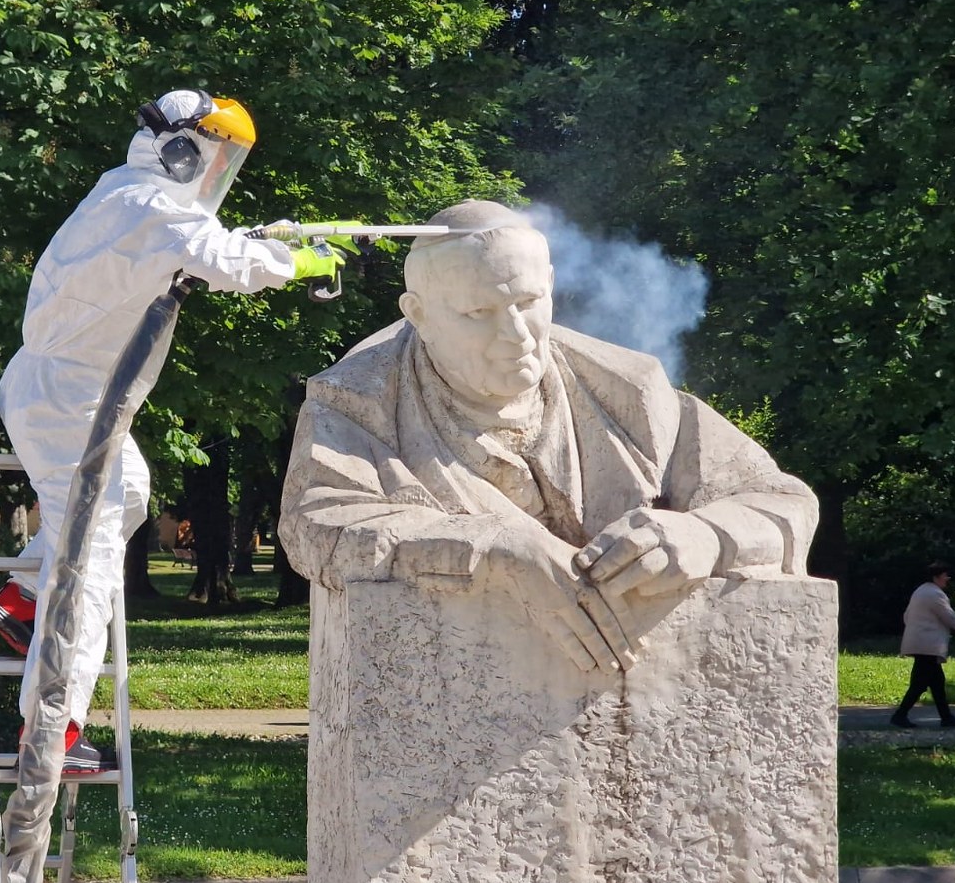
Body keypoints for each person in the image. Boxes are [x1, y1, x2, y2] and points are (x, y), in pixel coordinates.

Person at [279, 199, 819, 670]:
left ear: (552, 286)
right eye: (478, 312)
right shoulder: (357, 401)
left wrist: (705, 535)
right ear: (417, 313)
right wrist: (490, 547)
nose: (515, 333)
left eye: (528, 303)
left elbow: (781, 501)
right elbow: (316, 525)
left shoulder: (631, 391)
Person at [0, 89, 342, 773]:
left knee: (130, 490)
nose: (216, 173)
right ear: (178, 150)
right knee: (91, 561)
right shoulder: (149, 207)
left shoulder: (131, 198)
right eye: (213, 156)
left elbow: (205, 246)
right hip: (68, 402)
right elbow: (225, 263)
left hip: (73, 398)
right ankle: (51, 728)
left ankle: (23, 598)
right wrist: (300, 261)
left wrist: (267, 239)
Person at [890, 562, 955, 728]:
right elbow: (949, 617)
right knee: (919, 684)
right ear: (936, 577)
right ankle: (900, 715)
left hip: (920, 643)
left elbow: (907, 615)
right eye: (945, 575)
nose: (947, 578)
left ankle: (946, 717)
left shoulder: (920, 591)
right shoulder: (935, 594)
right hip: (927, 645)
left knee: (937, 682)